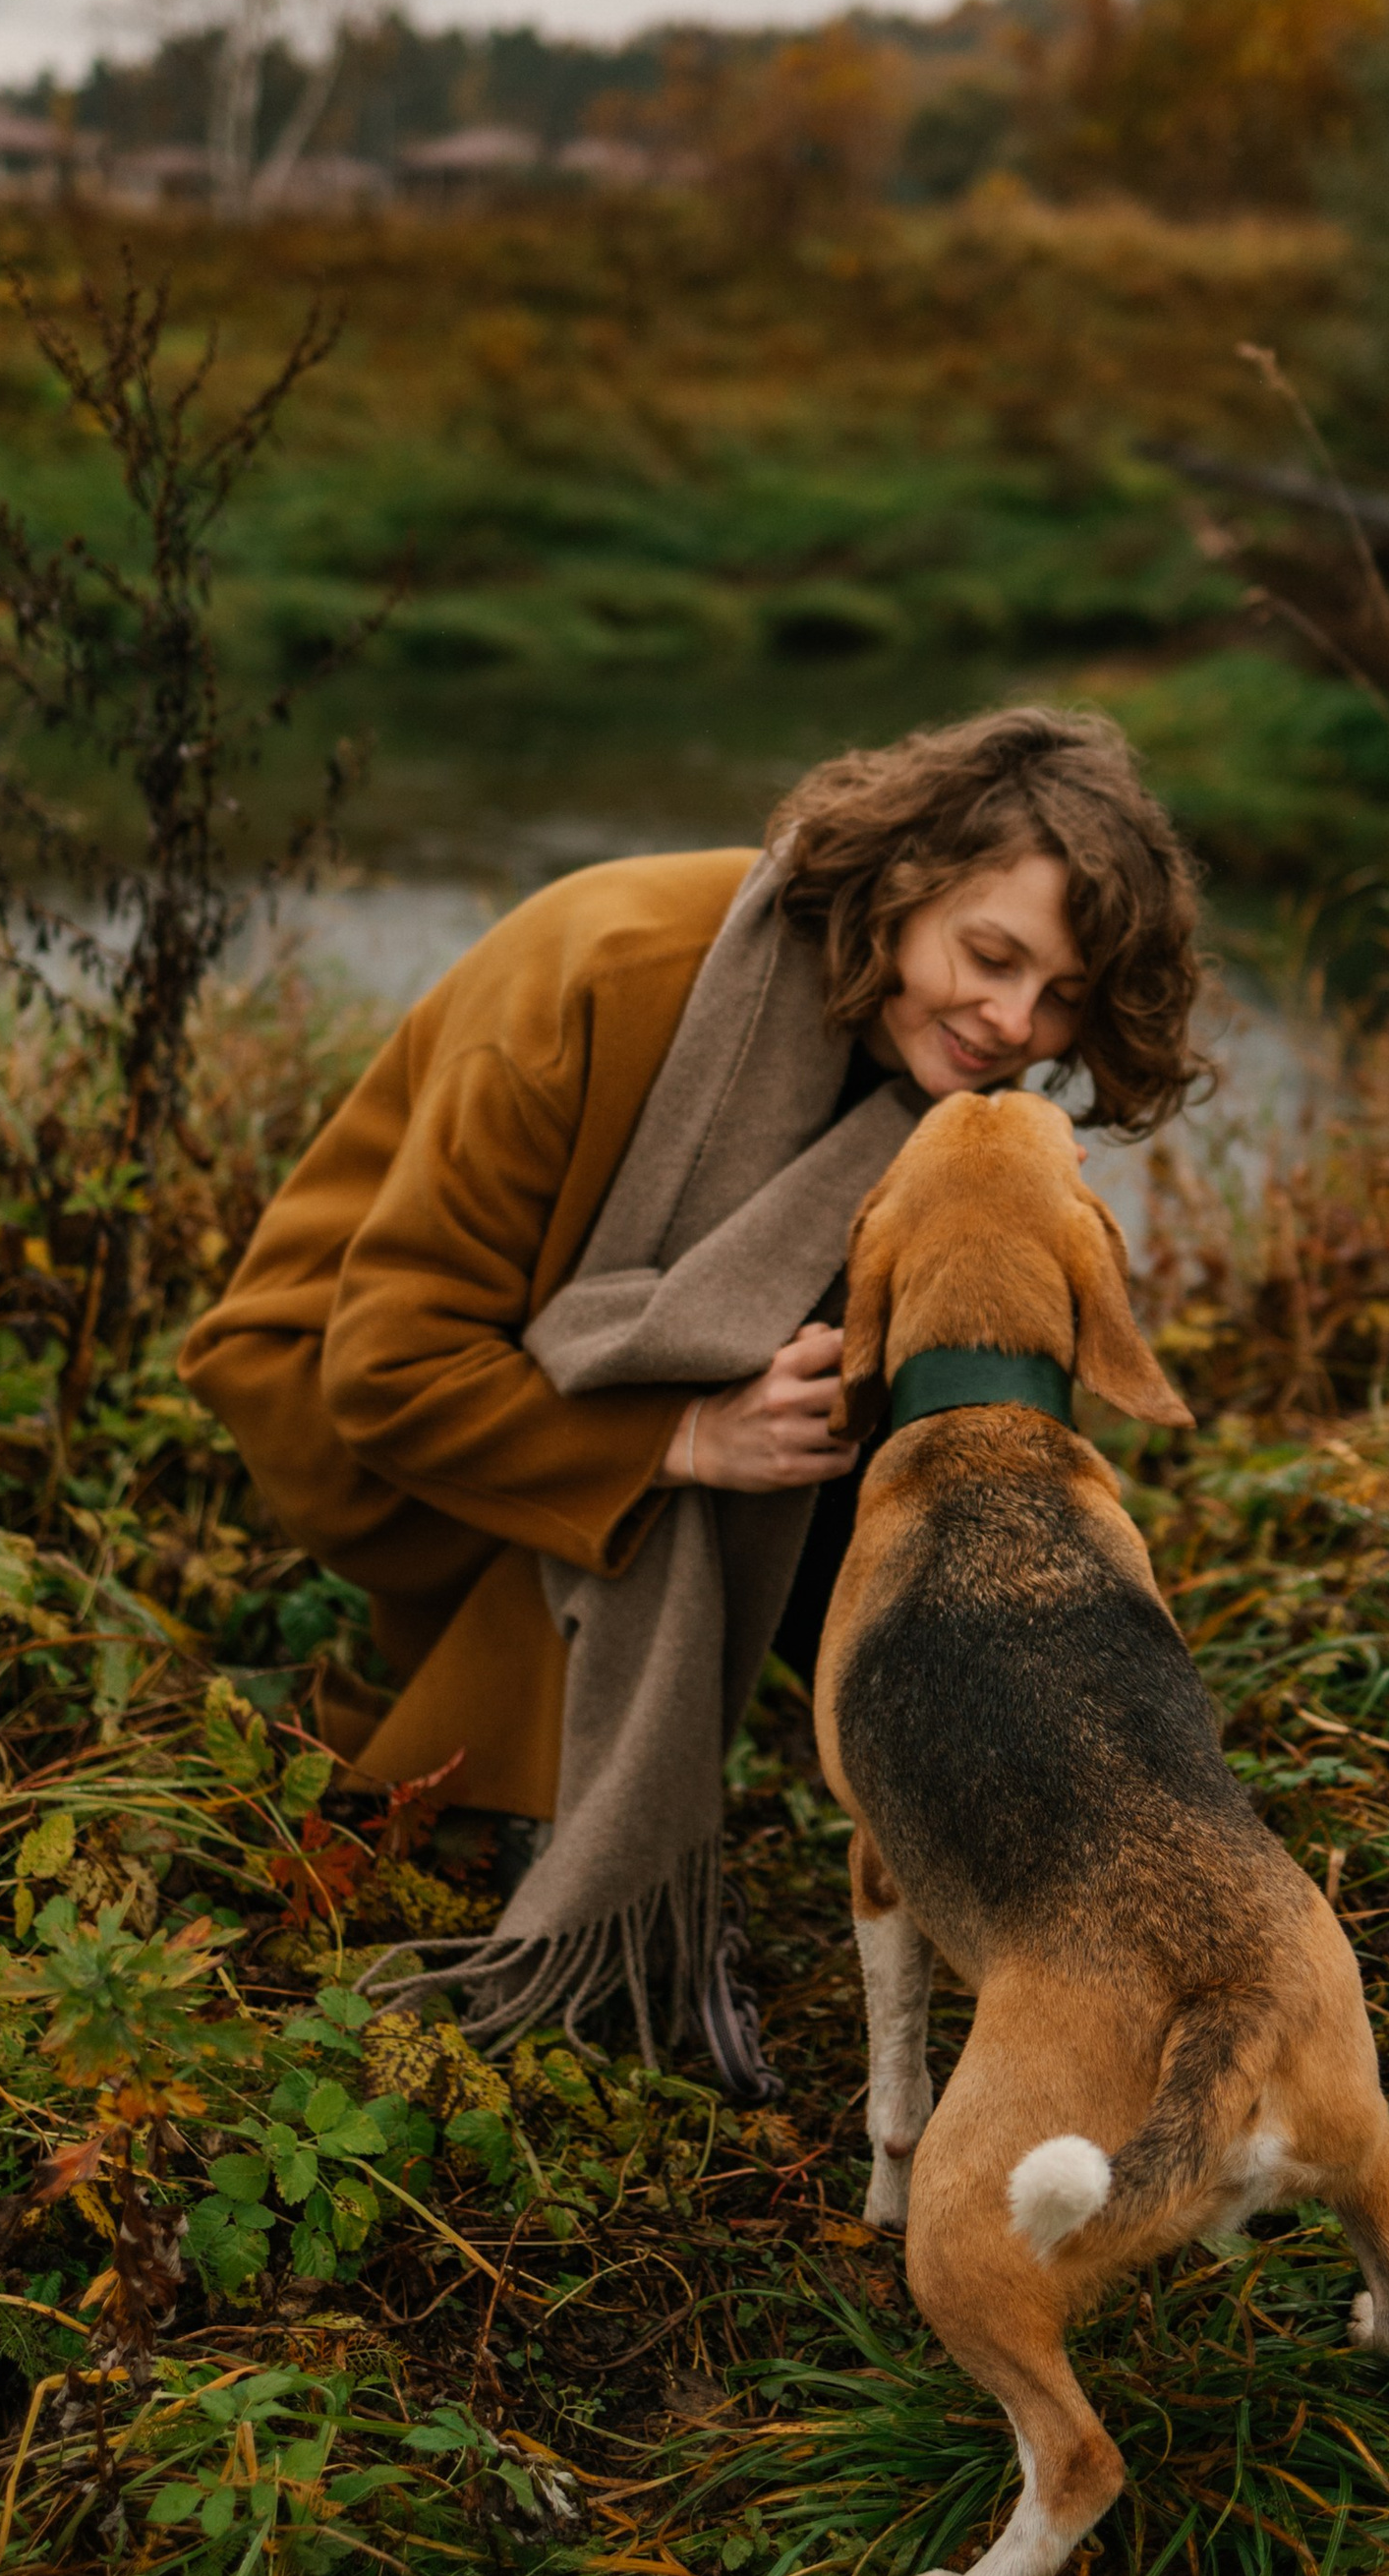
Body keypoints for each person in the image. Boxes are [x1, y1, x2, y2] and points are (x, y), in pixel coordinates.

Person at [179, 705, 1203, 2074]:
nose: (1016, 1022)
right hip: (348, 1396)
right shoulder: (606, 969)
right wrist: (681, 1437)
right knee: (756, 1386)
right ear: (904, 885)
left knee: (894, 1429)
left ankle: (1034, 1847)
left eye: (1064, 995)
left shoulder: (925, 1070)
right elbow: (382, 1366)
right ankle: (586, 1868)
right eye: (991, 956)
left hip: (567, 1363)